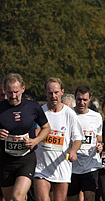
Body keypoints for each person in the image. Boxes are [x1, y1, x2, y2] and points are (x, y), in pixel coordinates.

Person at [0, 73, 51, 201]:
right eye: (10, 92)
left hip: (26, 159)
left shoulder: (33, 107)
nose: (13, 96)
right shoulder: (0, 108)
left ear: (23, 88)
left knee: (17, 197)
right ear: (4, 90)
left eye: (16, 92)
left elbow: (46, 128)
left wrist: (35, 141)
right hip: (5, 161)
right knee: (11, 198)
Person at [34, 77, 84, 201]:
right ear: (46, 93)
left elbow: (78, 138)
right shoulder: (40, 112)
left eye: (56, 92)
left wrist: (73, 151)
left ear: (62, 92)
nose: (53, 96)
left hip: (62, 166)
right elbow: (32, 133)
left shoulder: (69, 114)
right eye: (50, 93)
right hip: (41, 167)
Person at [67, 86, 103, 201]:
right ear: (75, 98)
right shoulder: (68, 114)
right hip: (72, 166)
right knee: (72, 198)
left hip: (90, 165)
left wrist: (99, 145)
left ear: (90, 99)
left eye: (85, 100)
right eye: (79, 99)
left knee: (89, 197)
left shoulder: (96, 117)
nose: (82, 103)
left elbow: (99, 136)